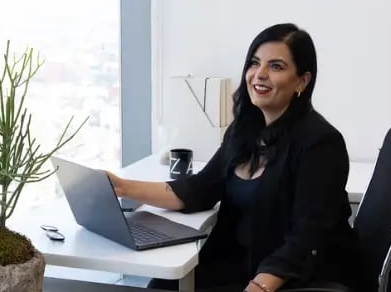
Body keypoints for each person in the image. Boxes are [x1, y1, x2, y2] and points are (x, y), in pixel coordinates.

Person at [109, 23, 365, 292]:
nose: (259, 74)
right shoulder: (244, 131)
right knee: (163, 285)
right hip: (239, 265)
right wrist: (123, 186)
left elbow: (306, 238)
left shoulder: (320, 144)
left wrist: (259, 286)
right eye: (254, 63)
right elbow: (200, 189)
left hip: (298, 277)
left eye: (276, 66)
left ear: (302, 81)